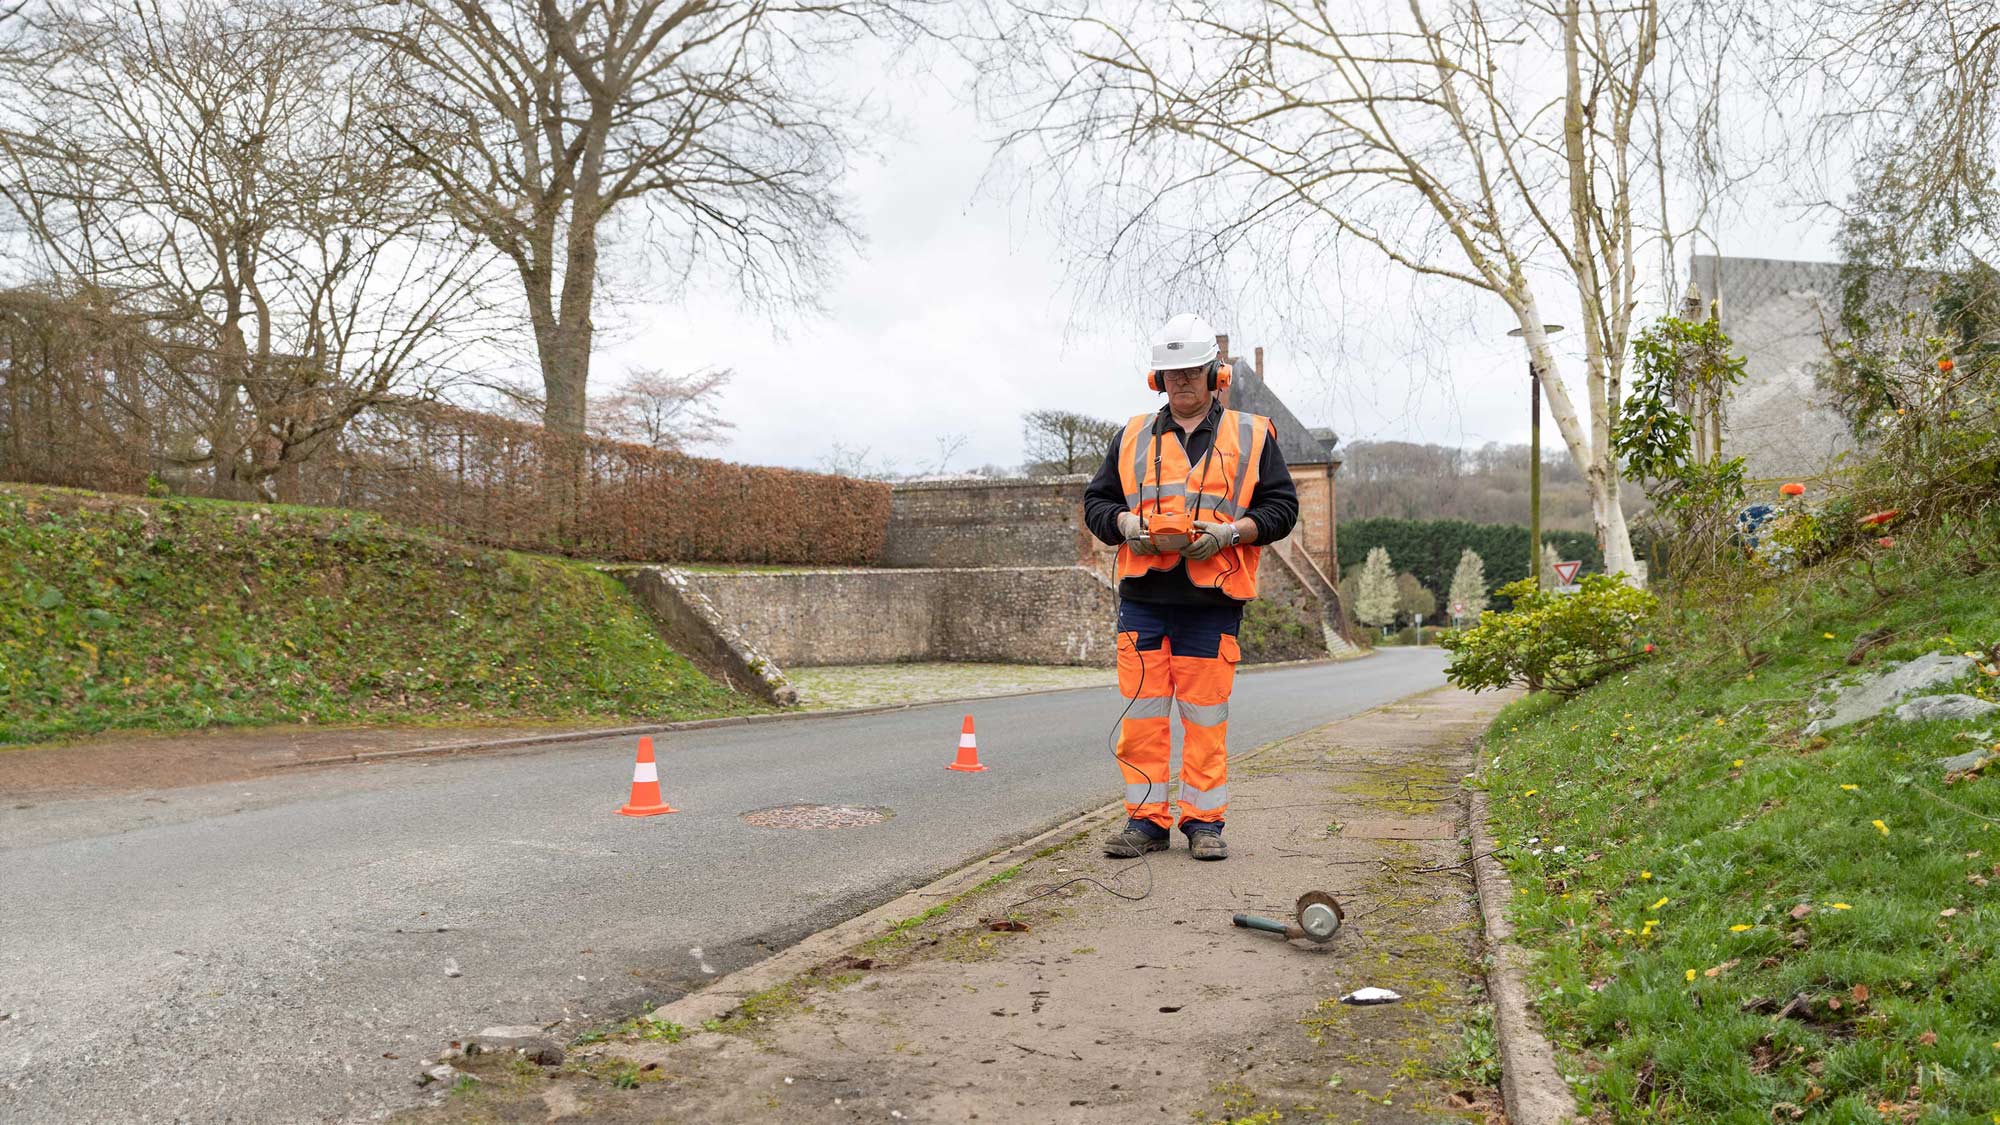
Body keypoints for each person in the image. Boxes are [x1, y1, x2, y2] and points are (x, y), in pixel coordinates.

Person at [1082, 313, 1298, 861]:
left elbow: (1282, 509)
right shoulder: (1130, 436)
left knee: (1204, 719)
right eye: (1169, 372)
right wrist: (1127, 526)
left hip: (1211, 600)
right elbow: (1097, 504)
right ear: (1157, 379)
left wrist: (1230, 533)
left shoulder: (1251, 434)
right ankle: (1145, 822)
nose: (1180, 381)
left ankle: (1204, 823)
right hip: (1144, 601)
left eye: (1191, 371)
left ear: (1214, 375)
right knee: (1142, 719)